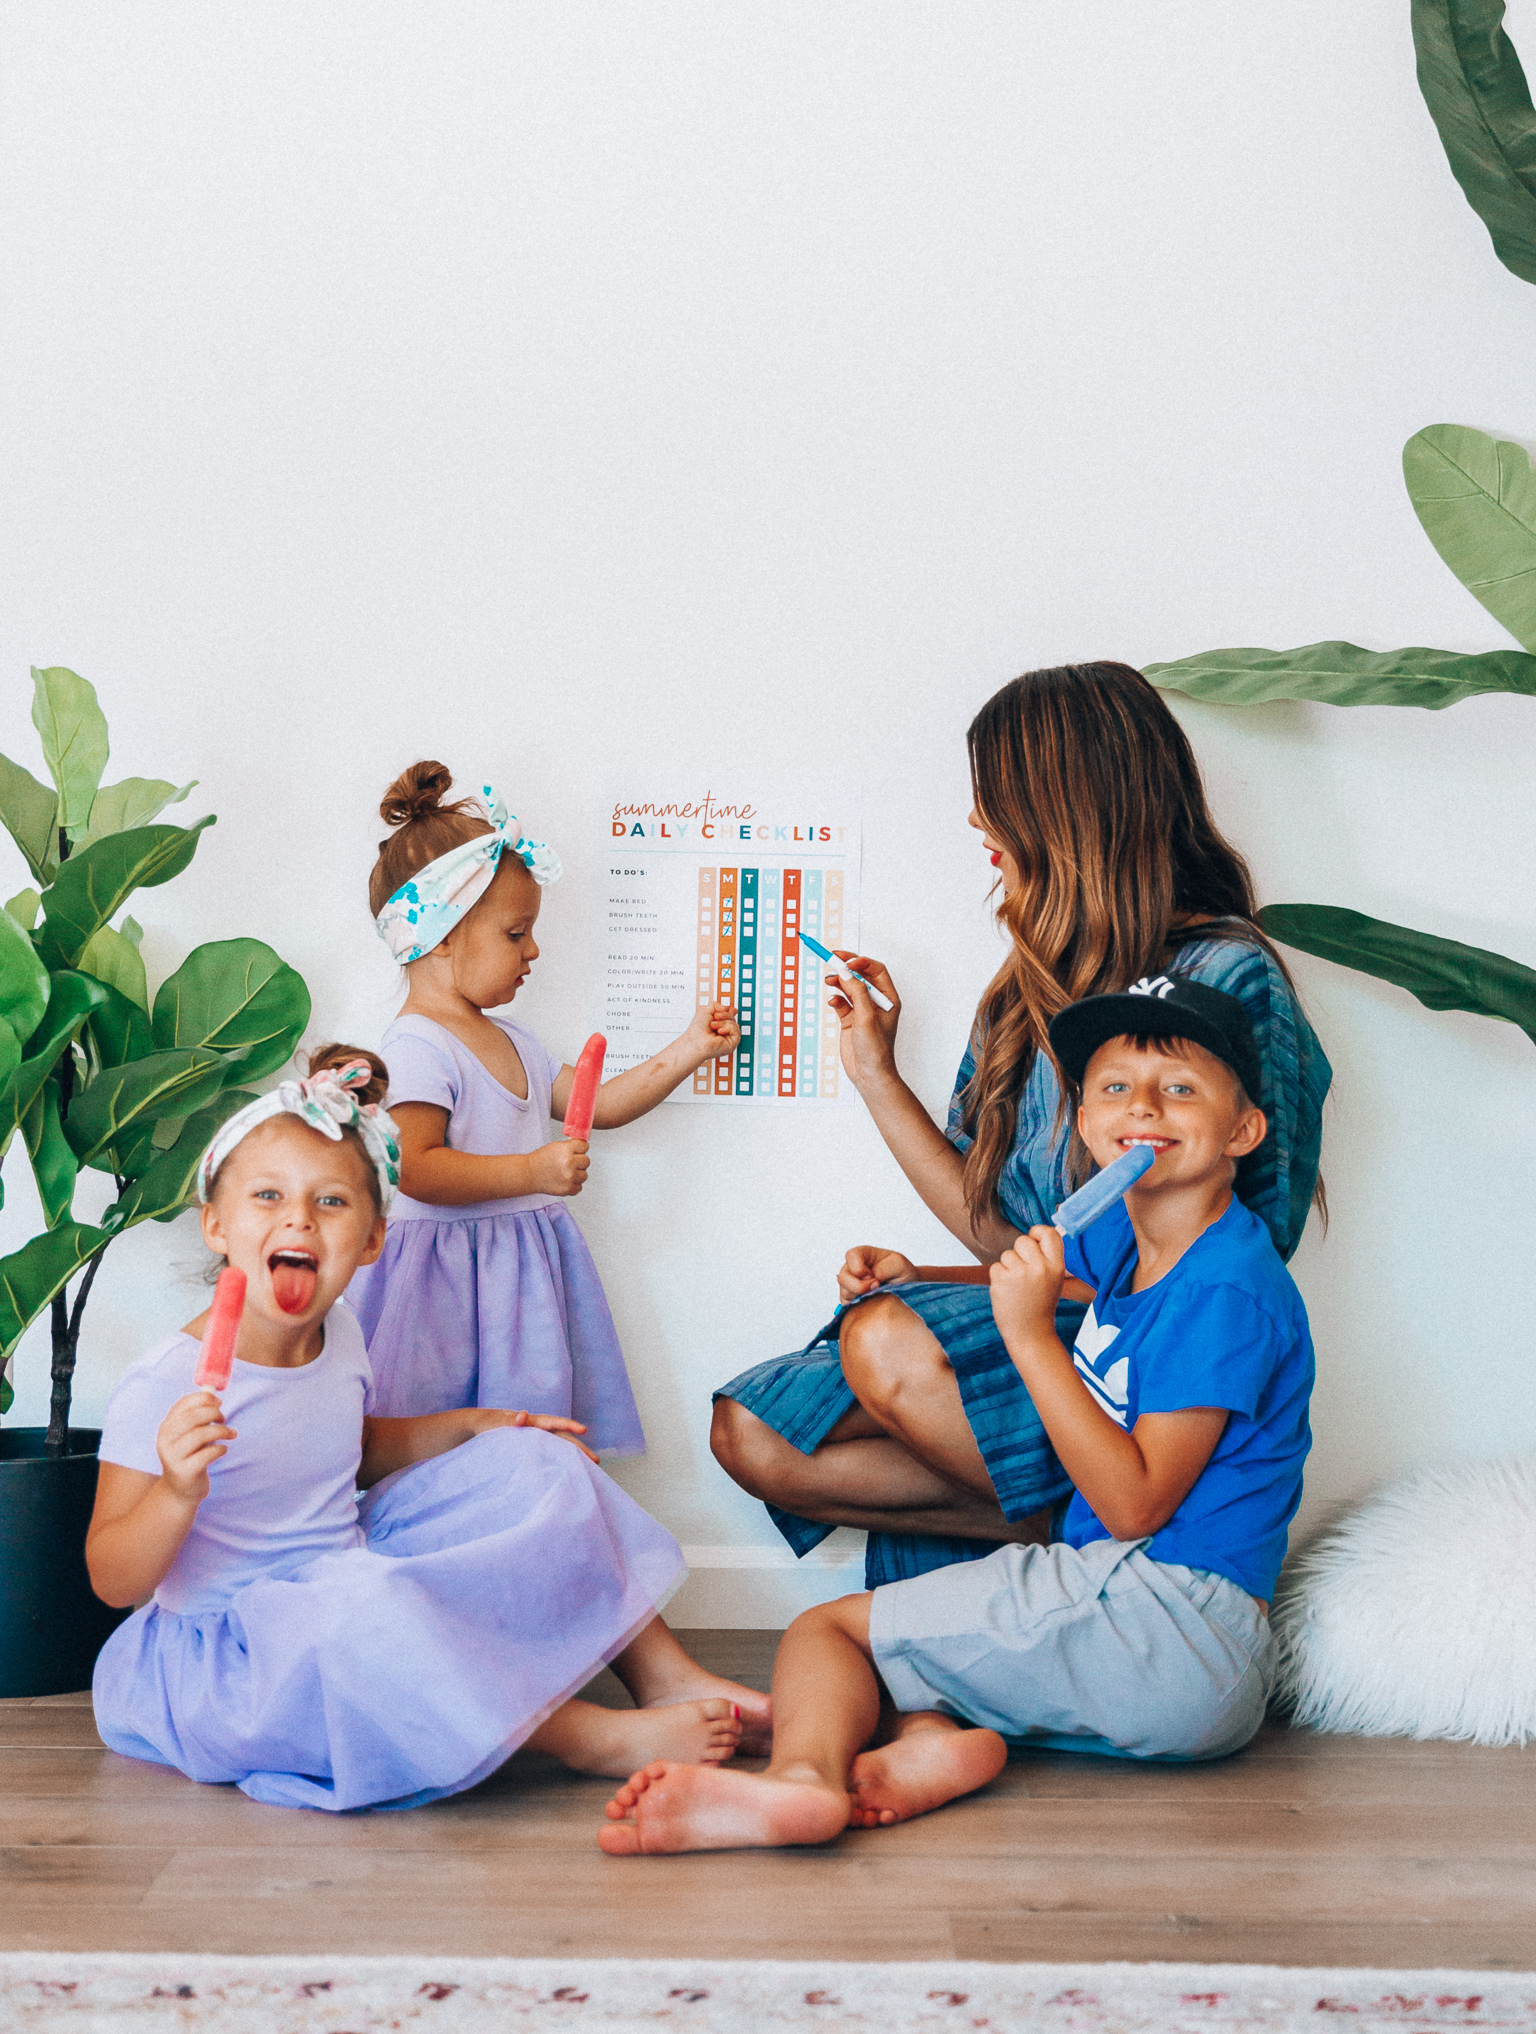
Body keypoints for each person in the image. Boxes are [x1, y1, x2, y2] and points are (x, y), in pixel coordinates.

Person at [599, 977, 1311, 1852]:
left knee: (831, 1635)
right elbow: (1060, 1279)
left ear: (1243, 1130)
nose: (1144, 1108)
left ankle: (801, 1783)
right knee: (920, 1628)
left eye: (1181, 1089)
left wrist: (1029, 1339)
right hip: (1168, 1641)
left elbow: (1134, 1507)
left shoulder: (1227, 1288)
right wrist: (923, 1280)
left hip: (1167, 1620)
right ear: (1086, 1123)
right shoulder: (1132, 1231)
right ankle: (928, 1750)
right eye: (1116, 1088)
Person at [710, 661, 1330, 1589]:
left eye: (992, 798)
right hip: (1040, 1313)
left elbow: (1233, 1248)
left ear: (1065, 807)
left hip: (1135, 1352)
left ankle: (1103, 1526)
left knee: (886, 1340)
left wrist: (1039, 1307)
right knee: (752, 1434)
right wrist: (874, 1071)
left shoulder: (1229, 978)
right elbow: (1000, 1228)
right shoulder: (1024, 988)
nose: (975, 822)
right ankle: (1053, 1531)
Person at [87, 1050, 769, 1813]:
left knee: (540, 1462)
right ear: (215, 1225)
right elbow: (113, 1579)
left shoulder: (340, 1331)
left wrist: (480, 1426)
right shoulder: (163, 1383)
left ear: (374, 1239)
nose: (298, 1218)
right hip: (234, 1653)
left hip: (346, 1573)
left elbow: (356, 1446)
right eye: (268, 1196)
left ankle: (662, 1674)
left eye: (332, 1203)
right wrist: (178, 1491)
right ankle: (586, 1737)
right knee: (366, 1608)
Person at [348, 763, 739, 1451]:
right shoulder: (415, 1045)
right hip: (442, 1286)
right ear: (440, 938)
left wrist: (690, 1048)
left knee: (526, 1439)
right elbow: (414, 1168)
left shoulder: (515, 1042)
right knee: (438, 1441)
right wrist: (531, 1172)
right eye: (513, 934)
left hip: (516, 1281)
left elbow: (603, 1104)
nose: (534, 950)